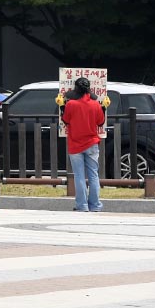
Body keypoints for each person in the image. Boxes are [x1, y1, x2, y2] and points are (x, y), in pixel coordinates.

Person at [61, 77, 106, 212]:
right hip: (92, 143)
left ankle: (82, 205)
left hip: (75, 144)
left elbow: (66, 120)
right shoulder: (95, 104)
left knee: (79, 175)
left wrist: (62, 106)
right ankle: (96, 205)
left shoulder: (71, 104)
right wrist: (103, 107)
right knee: (93, 174)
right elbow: (100, 122)